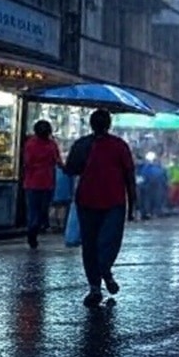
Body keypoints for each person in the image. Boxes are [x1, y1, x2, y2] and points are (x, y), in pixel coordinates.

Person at [65, 109, 136, 308]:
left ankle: (96, 285)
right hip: (113, 202)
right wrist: (133, 204)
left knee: (90, 245)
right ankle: (104, 273)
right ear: (109, 124)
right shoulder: (119, 145)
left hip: (87, 200)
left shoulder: (81, 145)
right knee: (109, 242)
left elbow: (70, 169)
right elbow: (129, 177)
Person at [23, 119, 63, 249]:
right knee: (43, 209)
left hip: (31, 182)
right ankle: (36, 227)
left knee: (33, 209)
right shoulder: (52, 145)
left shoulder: (30, 144)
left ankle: (32, 229)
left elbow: (27, 162)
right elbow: (58, 161)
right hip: (47, 182)